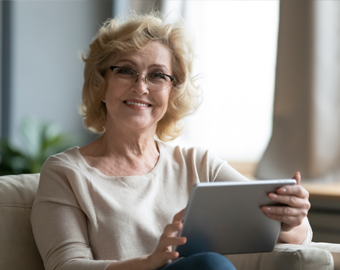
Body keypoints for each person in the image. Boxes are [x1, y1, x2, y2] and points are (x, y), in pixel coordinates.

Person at [31, 12, 312, 270]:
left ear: (172, 93)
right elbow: (65, 266)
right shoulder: (65, 172)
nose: (141, 87)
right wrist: (149, 262)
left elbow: (298, 236)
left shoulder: (198, 164)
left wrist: (290, 219)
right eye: (126, 71)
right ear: (101, 84)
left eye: (157, 75)